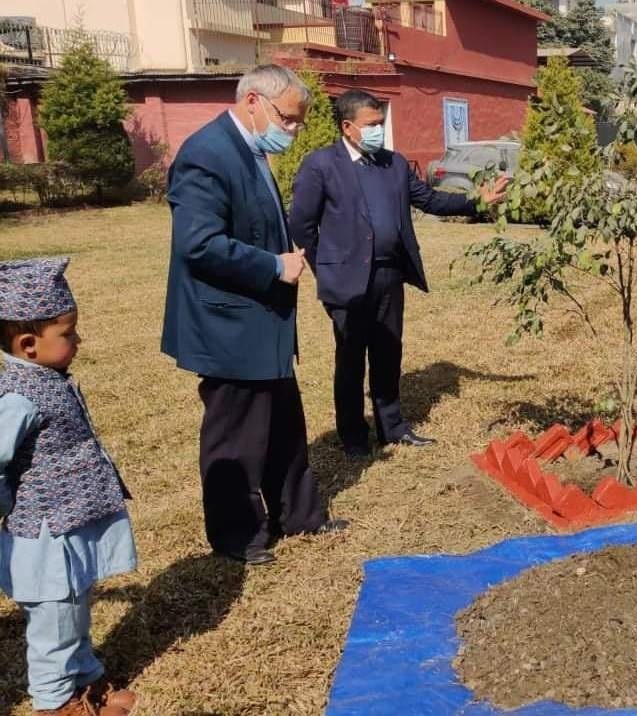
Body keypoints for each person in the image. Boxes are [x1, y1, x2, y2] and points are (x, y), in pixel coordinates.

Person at [162, 65, 346, 567]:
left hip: (262, 319)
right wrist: (272, 265)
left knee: (284, 422)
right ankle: (237, 534)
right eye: (288, 119)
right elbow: (199, 245)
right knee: (237, 433)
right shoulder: (207, 154)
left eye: (298, 122)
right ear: (252, 102)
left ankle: (300, 515)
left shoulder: (250, 148)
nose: (293, 130)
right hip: (229, 324)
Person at [288, 90, 509, 457]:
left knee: (388, 352)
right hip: (347, 282)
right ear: (347, 127)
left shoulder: (393, 164)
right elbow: (301, 225)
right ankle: (354, 437)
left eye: (380, 123)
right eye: (371, 125)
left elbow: (430, 200)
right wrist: (326, 269)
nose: (378, 130)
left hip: (389, 276)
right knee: (351, 358)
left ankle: (392, 427)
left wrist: (477, 200)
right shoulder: (321, 165)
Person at [0, 258, 138, 716]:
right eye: (68, 333)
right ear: (28, 344)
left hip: (68, 526)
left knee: (75, 612)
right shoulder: (17, 397)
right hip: (44, 538)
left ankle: (88, 683)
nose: (78, 341)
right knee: (53, 628)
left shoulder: (45, 377)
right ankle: (57, 703)